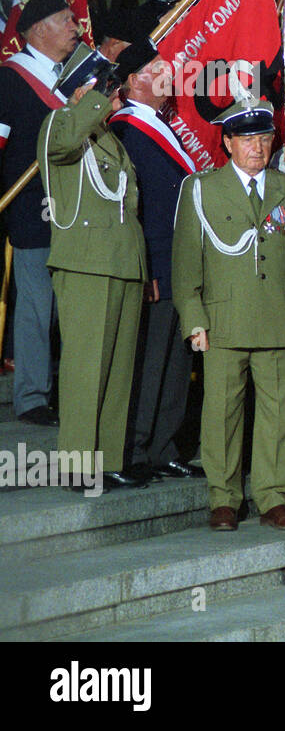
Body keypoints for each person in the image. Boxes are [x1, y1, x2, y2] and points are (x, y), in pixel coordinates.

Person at [171, 96, 285, 532]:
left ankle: (274, 497)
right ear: (227, 143)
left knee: (281, 414)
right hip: (223, 322)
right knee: (221, 412)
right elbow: (186, 264)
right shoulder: (201, 189)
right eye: (247, 139)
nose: (257, 148)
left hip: (281, 319)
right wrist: (194, 318)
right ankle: (224, 497)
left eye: (265, 138)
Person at [37, 46, 147, 491]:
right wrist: (93, 99)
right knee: (86, 368)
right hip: (85, 262)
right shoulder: (60, 123)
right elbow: (63, 145)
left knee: (117, 370)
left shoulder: (107, 136)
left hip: (121, 262)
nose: (113, 94)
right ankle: (77, 463)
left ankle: (108, 459)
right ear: (82, 89)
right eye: (104, 86)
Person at [108, 42, 201, 482]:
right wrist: (150, 270)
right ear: (131, 81)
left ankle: (164, 444)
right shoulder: (126, 129)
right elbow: (135, 210)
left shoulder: (160, 126)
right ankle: (139, 446)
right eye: (157, 69)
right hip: (156, 266)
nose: (169, 75)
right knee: (150, 360)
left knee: (176, 360)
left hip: (181, 263)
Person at [0, 0, 79, 428]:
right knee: (35, 307)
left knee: (71, 309)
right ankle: (32, 396)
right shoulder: (10, 80)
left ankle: (71, 391)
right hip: (31, 212)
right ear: (38, 30)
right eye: (66, 20)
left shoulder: (73, 76)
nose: (76, 28)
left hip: (77, 211)